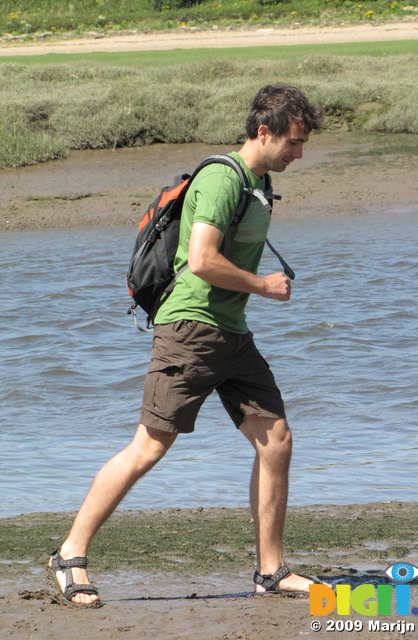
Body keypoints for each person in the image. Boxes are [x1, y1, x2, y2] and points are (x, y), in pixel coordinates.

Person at [49, 84, 324, 606]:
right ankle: (70, 555)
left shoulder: (256, 182)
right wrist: (264, 285)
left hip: (231, 335)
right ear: (262, 132)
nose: (299, 153)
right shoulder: (223, 178)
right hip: (191, 332)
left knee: (276, 440)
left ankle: (271, 570)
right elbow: (200, 260)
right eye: (292, 142)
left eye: (303, 143)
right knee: (149, 447)